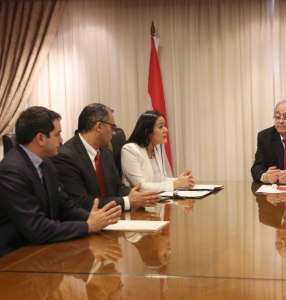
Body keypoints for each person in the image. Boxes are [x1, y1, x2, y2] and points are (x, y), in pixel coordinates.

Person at [0, 106, 121, 255]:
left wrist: (96, 218)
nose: (61, 140)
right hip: (16, 258)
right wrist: (88, 226)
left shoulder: (47, 163)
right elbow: (36, 228)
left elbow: (64, 206)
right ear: (40, 138)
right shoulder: (11, 172)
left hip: (44, 250)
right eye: (57, 134)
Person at [53, 103, 161, 211]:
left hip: (113, 218)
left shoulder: (105, 151)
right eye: (112, 127)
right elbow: (82, 201)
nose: (114, 133)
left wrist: (142, 196)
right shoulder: (66, 157)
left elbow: (116, 187)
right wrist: (128, 201)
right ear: (99, 126)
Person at [121, 110, 195, 192]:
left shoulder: (155, 149)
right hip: (140, 203)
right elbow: (141, 186)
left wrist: (182, 180)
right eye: (160, 127)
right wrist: (176, 184)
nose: (166, 130)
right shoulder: (129, 150)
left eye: (165, 126)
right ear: (147, 131)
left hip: (156, 201)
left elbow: (162, 180)